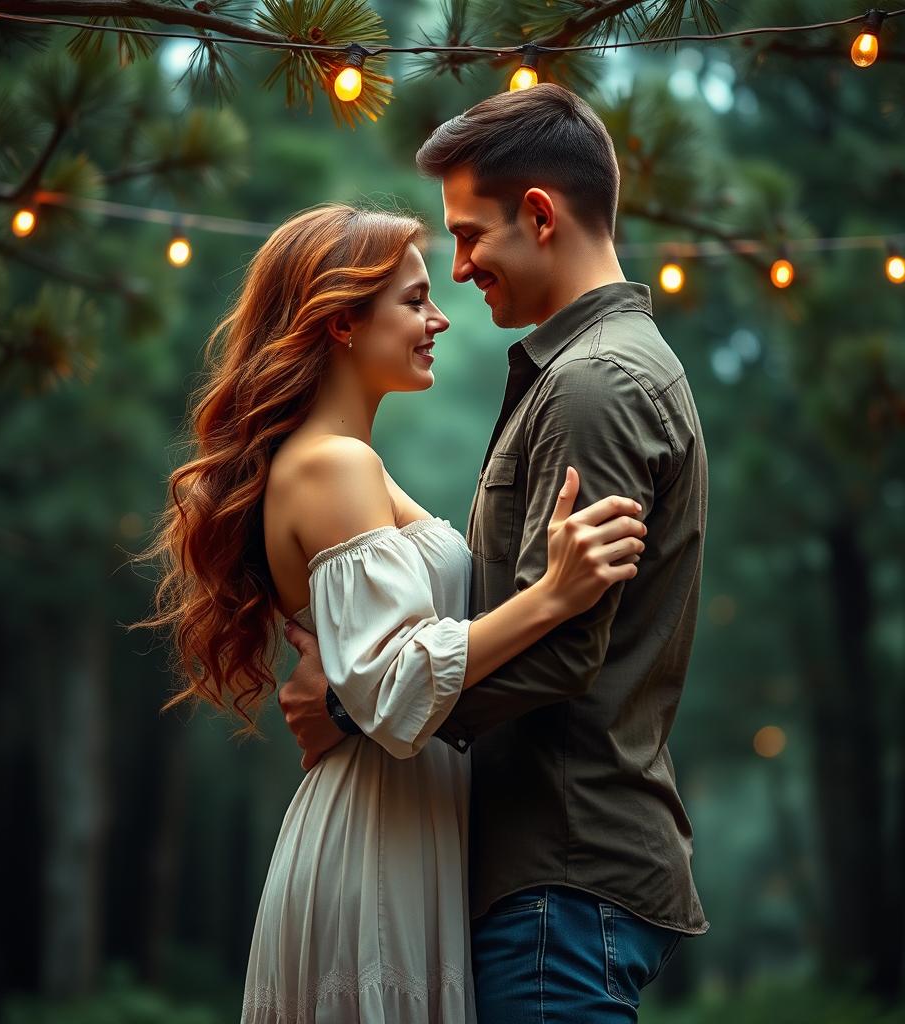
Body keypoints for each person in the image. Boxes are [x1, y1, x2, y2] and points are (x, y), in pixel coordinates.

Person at [138, 201, 648, 1023]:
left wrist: (343, 694)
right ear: (341, 321)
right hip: (375, 839)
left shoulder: (352, 463)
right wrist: (554, 596)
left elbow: (382, 660)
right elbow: (397, 680)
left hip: (398, 826)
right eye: (414, 301)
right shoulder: (333, 466)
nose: (440, 316)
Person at [280, 85, 709, 1023]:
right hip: (541, 874)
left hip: (561, 871)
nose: (463, 267)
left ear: (542, 216)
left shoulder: (595, 385)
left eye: (471, 237)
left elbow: (566, 647)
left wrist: (357, 716)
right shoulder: (582, 374)